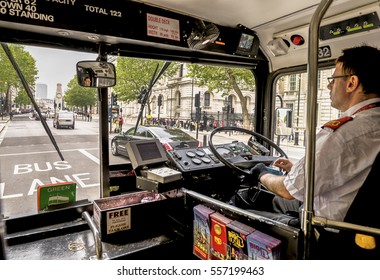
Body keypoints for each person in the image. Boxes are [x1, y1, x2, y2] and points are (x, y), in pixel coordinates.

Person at [251, 45, 380, 259]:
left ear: (351, 83)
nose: (329, 85)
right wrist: (297, 169)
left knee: (245, 212)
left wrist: (261, 173)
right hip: (362, 228)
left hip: (329, 236)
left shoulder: (342, 134)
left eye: (333, 78)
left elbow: (287, 190)